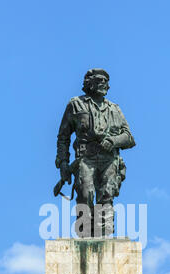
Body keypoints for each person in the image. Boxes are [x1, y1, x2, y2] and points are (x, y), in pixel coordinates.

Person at [55, 68, 136, 236]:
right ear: (88, 83)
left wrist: (113, 141)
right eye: (100, 80)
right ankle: (85, 235)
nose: (104, 84)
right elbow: (63, 137)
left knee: (106, 197)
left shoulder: (114, 109)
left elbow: (129, 137)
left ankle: (104, 235)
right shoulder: (76, 104)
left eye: (106, 81)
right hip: (85, 158)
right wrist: (63, 163)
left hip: (109, 160)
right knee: (85, 194)